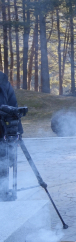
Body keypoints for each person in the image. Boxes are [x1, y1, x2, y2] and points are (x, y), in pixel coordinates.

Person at [0, 72, 21, 202]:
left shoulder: (3, 81)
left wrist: (18, 131)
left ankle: (3, 192)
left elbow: (14, 107)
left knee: (4, 161)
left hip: (3, 132)